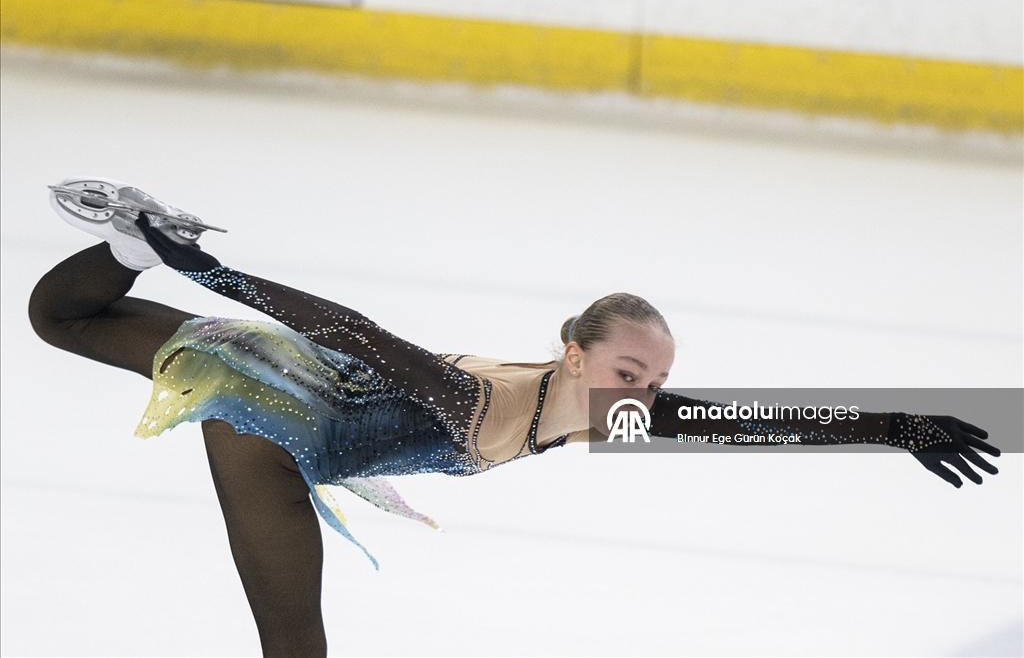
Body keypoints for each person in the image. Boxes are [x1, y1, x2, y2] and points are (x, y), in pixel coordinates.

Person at [30, 177, 1001, 657]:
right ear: (576, 352)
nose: (647, 394)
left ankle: (123, 245)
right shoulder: (484, 400)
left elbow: (753, 421)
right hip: (275, 422)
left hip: (305, 400)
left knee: (62, 314)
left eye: (656, 380)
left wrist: (902, 423)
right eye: (632, 369)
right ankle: (144, 245)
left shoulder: (591, 413)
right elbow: (351, 329)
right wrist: (199, 267)